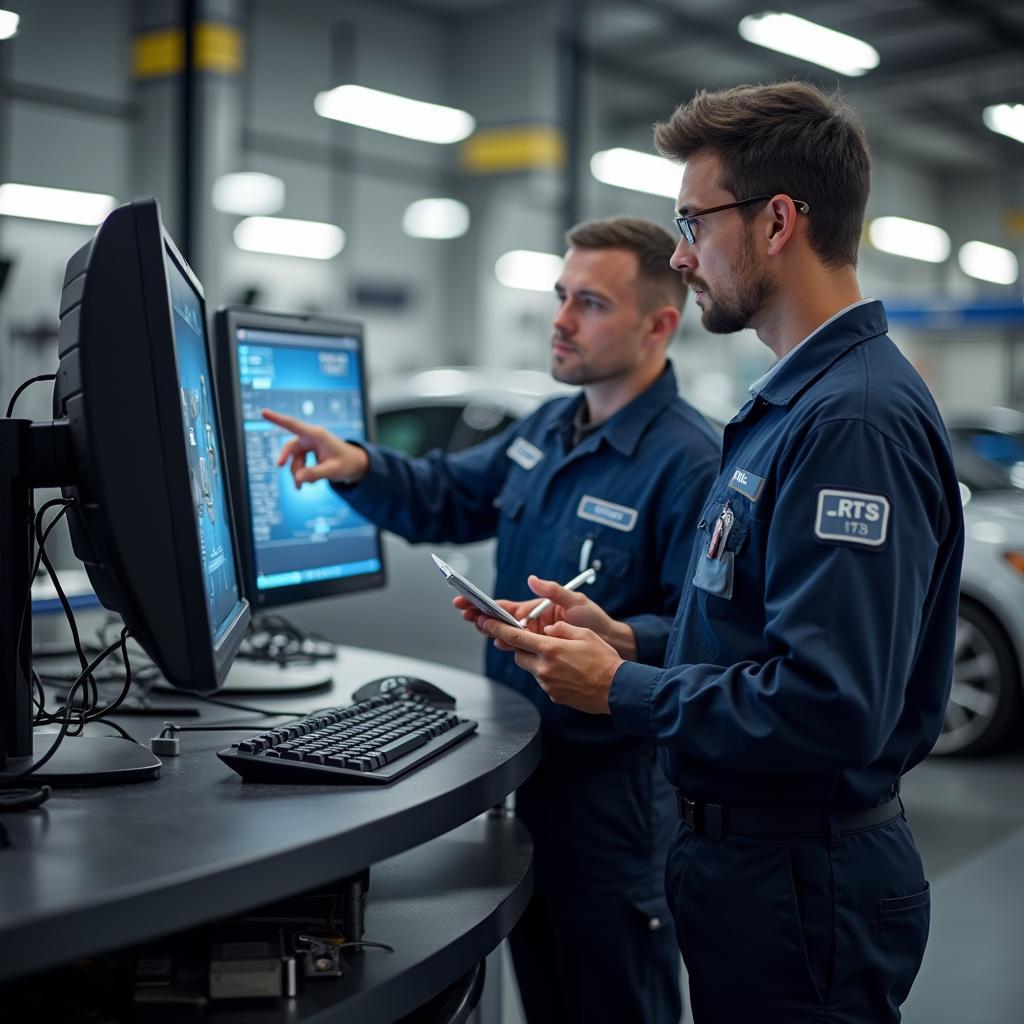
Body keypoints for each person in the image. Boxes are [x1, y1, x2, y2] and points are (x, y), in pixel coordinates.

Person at [474, 83, 965, 1024]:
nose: (683, 255)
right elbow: (761, 634)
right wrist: (626, 640)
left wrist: (619, 691)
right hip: (753, 868)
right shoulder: (796, 405)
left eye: (692, 221)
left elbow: (830, 706)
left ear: (778, 221)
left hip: (801, 879)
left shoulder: (850, 420)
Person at [262, 216, 720, 1024]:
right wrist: (359, 463)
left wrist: (617, 636)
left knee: (614, 1000)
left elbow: (699, 636)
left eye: (590, 303)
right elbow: (447, 492)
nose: (561, 319)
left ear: (658, 325)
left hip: (611, 799)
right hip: (524, 774)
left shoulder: (690, 461)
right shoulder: (548, 428)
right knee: (542, 992)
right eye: (559, 297)